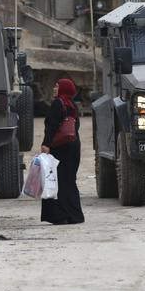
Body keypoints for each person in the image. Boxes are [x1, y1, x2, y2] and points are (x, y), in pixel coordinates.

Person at [40, 79, 85, 225]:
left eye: (57, 86)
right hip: (73, 147)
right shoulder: (73, 105)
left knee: (56, 180)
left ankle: (60, 216)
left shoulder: (57, 104)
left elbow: (52, 126)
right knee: (69, 181)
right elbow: (75, 127)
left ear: (63, 89)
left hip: (60, 148)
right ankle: (74, 215)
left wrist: (46, 144)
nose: (54, 89)